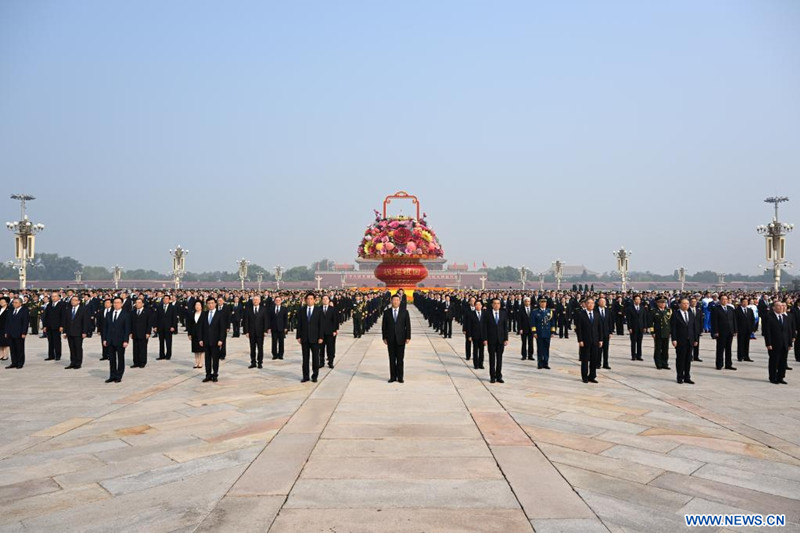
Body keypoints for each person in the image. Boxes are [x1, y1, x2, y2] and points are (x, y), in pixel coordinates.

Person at [382, 294, 411, 383]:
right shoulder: (387, 312)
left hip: (401, 339)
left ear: (399, 301)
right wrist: (384, 337)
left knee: (400, 359)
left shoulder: (404, 312)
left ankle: (400, 377)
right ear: (391, 301)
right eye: (394, 300)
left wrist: (408, 337)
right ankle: (393, 377)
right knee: (391, 359)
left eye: (397, 300)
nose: (395, 302)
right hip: (390, 339)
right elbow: (384, 326)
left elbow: (408, 326)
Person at [763, 301, 793, 384]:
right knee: (774, 361)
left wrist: (790, 343)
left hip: (785, 343)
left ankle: (781, 377)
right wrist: (768, 343)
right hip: (774, 343)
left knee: (783, 361)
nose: (780, 307)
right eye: (778, 306)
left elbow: (789, 331)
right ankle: (773, 377)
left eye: (781, 306)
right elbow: (767, 332)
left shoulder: (785, 317)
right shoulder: (769, 317)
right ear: (773, 308)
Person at [296, 293, 323, 383]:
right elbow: (299, 324)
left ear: (314, 300)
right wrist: (298, 336)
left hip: (315, 338)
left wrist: (320, 337)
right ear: (305, 300)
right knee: (305, 358)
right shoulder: (301, 310)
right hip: (304, 338)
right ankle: (306, 376)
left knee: (315, 358)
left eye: (311, 299)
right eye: (308, 299)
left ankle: (315, 375)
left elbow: (321, 325)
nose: (309, 300)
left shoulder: (319, 310)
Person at [671, 298, 698, 384]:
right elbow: (673, 328)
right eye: (684, 303)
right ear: (680, 304)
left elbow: (694, 328)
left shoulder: (690, 314)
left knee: (688, 359)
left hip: (690, 340)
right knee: (680, 359)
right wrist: (674, 339)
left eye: (687, 303)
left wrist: (696, 339)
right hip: (680, 340)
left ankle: (687, 376)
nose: (686, 305)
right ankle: (680, 376)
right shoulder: (675, 314)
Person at [575, 297, 602, 383]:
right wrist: (580, 340)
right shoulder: (581, 314)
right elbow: (578, 329)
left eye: (592, 303)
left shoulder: (597, 314)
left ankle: (592, 376)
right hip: (585, 341)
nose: (591, 305)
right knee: (585, 359)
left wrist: (600, 340)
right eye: (589, 303)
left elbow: (599, 328)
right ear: (585, 304)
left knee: (594, 359)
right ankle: (584, 376)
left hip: (595, 340)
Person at [103, 297, 130, 383]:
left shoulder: (125, 314)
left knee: (120, 358)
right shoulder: (109, 314)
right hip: (110, 340)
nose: (116, 304)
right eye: (114, 302)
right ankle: (112, 375)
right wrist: (105, 339)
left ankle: (119, 376)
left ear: (122, 304)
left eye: (118, 303)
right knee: (112, 359)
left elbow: (127, 329)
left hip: (120, 340)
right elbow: (106, 328)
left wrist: (126, 340)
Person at [199, 297, 226, 382]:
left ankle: (215, 374)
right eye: (208, 303)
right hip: (206, 341)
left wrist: (221, 340)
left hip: (216, 341)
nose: (210, 305)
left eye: (212, 303)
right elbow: (201, 328)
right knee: (207, 359)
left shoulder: (220, 314)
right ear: (206, 305)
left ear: (215, 304)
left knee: (215, 359)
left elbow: (222, 329)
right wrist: (200, 339)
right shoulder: (204, 314)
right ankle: (208, 375)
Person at [710, 294, 737, 370]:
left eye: (726, 299)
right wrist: (715, 331)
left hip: (730, 331)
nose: (724, 300)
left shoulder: (730, 308)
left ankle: (728, 364)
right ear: (720, 300)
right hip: (721, 332)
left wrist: (735, 330)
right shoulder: (716, 309)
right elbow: (714, 321)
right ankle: (719, 364)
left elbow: (734, 320)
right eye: (723, 299)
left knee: (729, 349)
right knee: (720, 349)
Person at [63, 295, 91, 369]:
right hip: (69, 332)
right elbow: (66, 321)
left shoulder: (83, 309)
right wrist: (65, 332)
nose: (73, 302)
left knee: (78, 348)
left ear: (79, 301)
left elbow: (85, 322)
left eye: (75, 300)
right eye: (72, 300)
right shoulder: (68, 309)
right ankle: (72, 362)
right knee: (71, 348)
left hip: (78, 332)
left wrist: (84, 332)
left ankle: (78, 363)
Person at [484, 298, 508, 383]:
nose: (496, 305)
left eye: (498, 303)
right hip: (491, 340)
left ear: (500, 305)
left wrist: (506, 339)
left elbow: (505, 327)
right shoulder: (487, 314)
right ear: (492, 305)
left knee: (499, 358)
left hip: (501, 340)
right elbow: (485, 328)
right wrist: (485, 339)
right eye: (495, 303)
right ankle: (492, 376)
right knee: (492, 359)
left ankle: (499, 376)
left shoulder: (503, 313)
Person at [244, 295, 268, 368]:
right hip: (251, 332)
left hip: (260, 332)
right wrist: (246, 331)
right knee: (252, 348)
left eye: (257, 300)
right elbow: (246, 321)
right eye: (254, 300)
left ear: (259, 301)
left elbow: (266, 321)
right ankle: (253, 362)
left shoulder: (263, 309)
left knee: (260, 348)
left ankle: (260, 362)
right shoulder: (248, 309)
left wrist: (265, 331)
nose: (255, 301)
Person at [4, 298, 29, 369]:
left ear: (20, 303)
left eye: (16, 302)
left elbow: (25, 323)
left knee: (19, 349)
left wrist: (24, 333)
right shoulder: (10, 310)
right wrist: (6, 332)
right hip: (10, 333)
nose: (14, 304)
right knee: (12, 349)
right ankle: (14, 362)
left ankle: (20, 363)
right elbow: (7, 322)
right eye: (13, 302)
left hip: (19, 333)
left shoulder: (24, 311)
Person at [129, 297, 153, 368]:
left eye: (139, 303)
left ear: (142, 304)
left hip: (143, 333)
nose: (137, 304)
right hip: (135, 333)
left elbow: (149, 323)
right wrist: (130, 332)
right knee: (135, 348)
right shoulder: (132, 312)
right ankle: (136, 362)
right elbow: (131, 323)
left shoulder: (147, 312)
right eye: (136, 303)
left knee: (143, 348)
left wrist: (148, 332)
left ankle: (142, 362)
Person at [532, 297, 554, 370]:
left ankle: (546, 363)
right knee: (540, 349)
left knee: (546, 349)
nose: (543, 304)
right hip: (539, 333)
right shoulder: (535, 312)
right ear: (539, 303)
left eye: (544, 302)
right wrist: (534, 332)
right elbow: (533, 323)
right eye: (542, 302)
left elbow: (552, 322)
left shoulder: (549, 311)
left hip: (547, 333)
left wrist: (552, 332)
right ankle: (540, 363)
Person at [42, 291, 65, 361]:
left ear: (58, 297)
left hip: (57, 326)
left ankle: (58, 355)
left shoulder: (62, 305)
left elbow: (63, 316)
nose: (54, 298)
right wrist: (45, 326)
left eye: (55, 296)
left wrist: (62, 326)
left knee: (57, 341)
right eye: (52, 296)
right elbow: (46, 316)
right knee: (50, 341)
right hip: (49, 326)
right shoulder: (49, 305)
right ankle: (51, 355)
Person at [650, 297, 672, 370]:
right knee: (658, 349)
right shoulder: (653, 311)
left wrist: (670, 332)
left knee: (665, 349)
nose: (663, 304)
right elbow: (651, 323)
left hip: (666, 332)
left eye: (664, 302)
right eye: (661, 302)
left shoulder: (668, 311)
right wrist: (652, 332)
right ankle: (658, 363)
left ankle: (664, 363)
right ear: (657, 303)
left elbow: (670, 323)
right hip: (658, 332)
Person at [155, 294, 178, 360]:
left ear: (169, 300)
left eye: (167, 299)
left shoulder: (172, 307)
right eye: (164, 299)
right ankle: (161, 355)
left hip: (169, 327)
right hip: (160, 327)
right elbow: (156, 317)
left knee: (168, 342)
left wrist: (173, 326)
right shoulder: (159, 307)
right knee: (161, 342)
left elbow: (174, 318)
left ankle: (168, 355)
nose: (165, 300)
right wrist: (155, 326)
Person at [319, 295, 338, 368]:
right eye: (323, 299)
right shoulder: (318, 309)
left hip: (330, 332)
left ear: (329, 300)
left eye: (326, 299)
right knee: (321, 348)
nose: (325, 300)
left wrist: (335, 330)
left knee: (330, 348)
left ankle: (330, 362)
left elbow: (335, 321)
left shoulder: (333, 309)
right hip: (321, 333)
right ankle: (321, 362)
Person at [465, 300, 485, 369]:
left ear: (481, 306)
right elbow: (469, 326)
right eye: (476, 304)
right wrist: (469, 335)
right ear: (474, 305)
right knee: (475, 350)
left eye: (479, 305)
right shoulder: (471, 314)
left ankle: (481, 364)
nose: (478, 306)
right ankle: (476, 364)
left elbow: (487, 326)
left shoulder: (485, 314)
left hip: (482, 335)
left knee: (482, 351)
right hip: (474, 335)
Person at [626, 295, 646, 361]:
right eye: (636, 299)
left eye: (639, 299)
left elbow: (644, 318)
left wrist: (645, 327)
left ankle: (639, 356)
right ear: (634, 300)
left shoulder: (642, 308)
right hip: (633, 328)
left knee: (639, 342)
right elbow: (628, 319)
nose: (638, 300)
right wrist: (629, 327)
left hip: (641, 327)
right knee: (633, 342)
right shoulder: (630, 308)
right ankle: (633, 355)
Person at [735, 298, 754, 362]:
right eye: (744, 302)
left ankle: (746, 356)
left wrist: (752, 329)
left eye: (746, 302)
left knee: (747, 343)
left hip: (748, 329)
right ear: (741, 302)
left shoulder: (750, 310)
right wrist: (736, 330)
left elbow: (752, 320)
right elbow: (735, 321)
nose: (745, 303)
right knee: (740, 343)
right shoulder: (737, 310)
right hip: (740, 330)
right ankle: (740, 356)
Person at [187, 300, 204, 369]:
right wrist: (189, 334)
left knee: (201, 349)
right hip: (194, 333)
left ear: (201, 306)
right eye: (196, 305)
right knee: (195, 349)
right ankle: (196, 362)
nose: (197, 306)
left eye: (199, 305)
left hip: (202, 333)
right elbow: (189, 325)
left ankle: (201, 362)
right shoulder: (192, 314)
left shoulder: (204, 314)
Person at [597, 296, 614, 369]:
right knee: (598, 349)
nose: (603, 303)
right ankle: (598, 363)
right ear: (598, 303)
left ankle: (605, 363)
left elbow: (610, 322)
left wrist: (610, 332)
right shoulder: (595, 311)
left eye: (604, 302)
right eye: (601, 301)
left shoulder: (608, 311)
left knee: (606, 349)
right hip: (598, 333)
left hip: (606, 333)